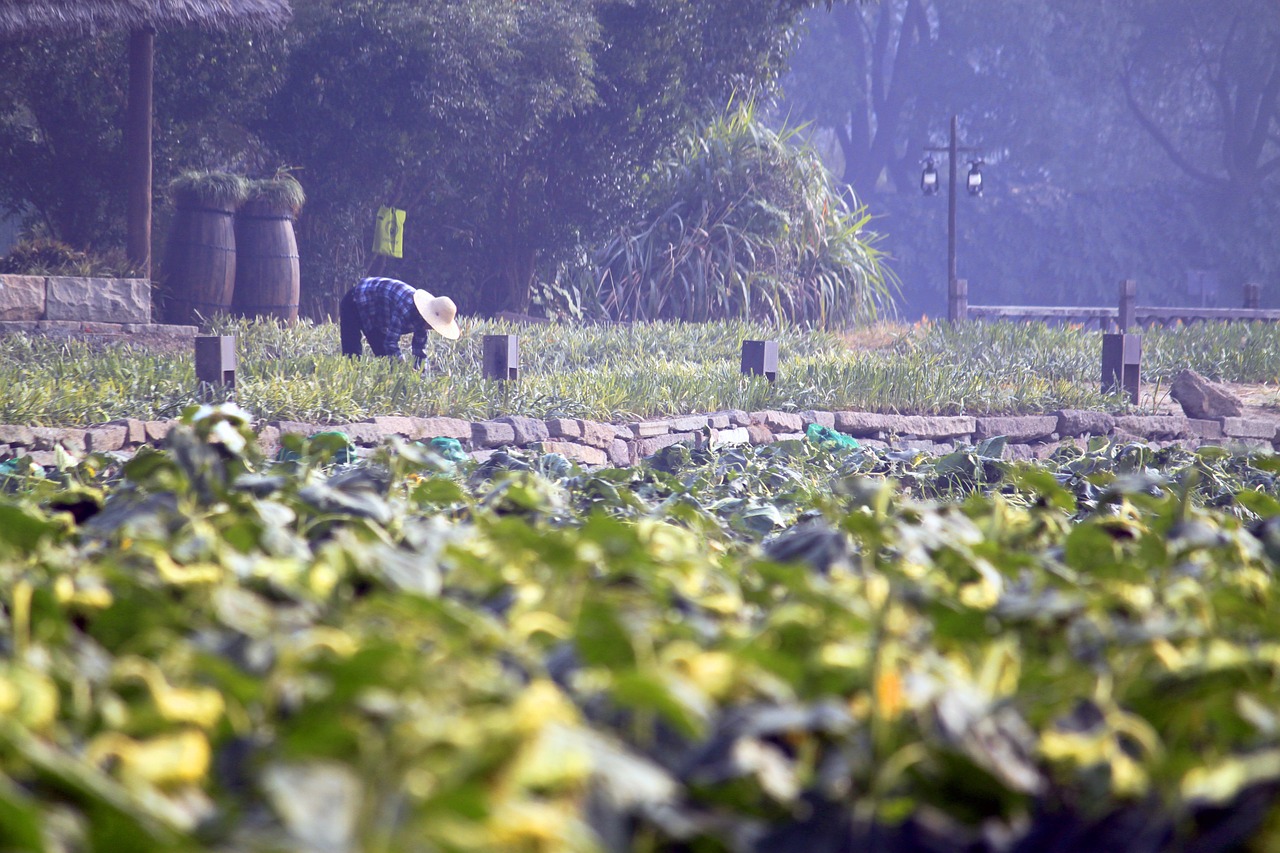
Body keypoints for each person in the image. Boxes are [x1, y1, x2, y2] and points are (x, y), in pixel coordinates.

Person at [339, 276, 460, 363]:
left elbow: (419, 351)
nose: (434, 328)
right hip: (356, 300)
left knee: (386, 360)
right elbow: (390, 343)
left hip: (377, 315)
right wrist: (403, 366)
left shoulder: (423, 321)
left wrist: (421, 375)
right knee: (352, 355)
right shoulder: (406, 308)